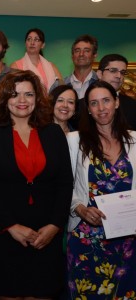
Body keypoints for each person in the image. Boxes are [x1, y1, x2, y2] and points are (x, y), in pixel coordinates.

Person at [0, 70, 73, 298]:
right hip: (4, 235)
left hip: (45, 235)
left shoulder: (54, 133)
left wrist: (55, 226)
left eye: (28, 94)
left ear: (37, 98)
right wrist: (10, 226)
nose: (22, 101)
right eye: (15, 94)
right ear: (4, 98)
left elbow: (65, 183)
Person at [66, 81, 136, 299]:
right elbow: (63, 187)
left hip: (129, 240)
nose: (101, 108)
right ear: (88, 108)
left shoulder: (135, 140)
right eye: (94, 103)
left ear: (116, 102)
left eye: (106, 100)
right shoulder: (75, 140)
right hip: (87, 239)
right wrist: (79, 208)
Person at [11, 28, 63, 92]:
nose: (32, 42)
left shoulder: (52, 67)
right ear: (25, 44)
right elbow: (11, 90)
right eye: (29, 39)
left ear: (43, 45)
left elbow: (61, 90)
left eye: (36, 40)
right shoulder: (15, 66)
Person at [97, 53, 136, 130]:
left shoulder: (133, 106)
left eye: (122, 72)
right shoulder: (83, 104)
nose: (119, 76)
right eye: (113, 70)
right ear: (99, 74)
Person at [64, 34, 99, 99]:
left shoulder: (101, 83)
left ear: (94, 55)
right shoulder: (62, 85)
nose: (81, 54)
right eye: (77, 51)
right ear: (72, 56)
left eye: (86, 51)